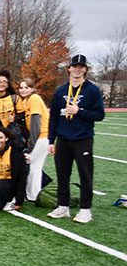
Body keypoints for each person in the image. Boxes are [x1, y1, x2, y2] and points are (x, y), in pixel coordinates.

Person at [46, 54, 105, 223]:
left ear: (85, 69)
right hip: (63, 138)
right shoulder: (60, 91)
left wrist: (79, 112)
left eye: (81, 67)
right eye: (75, 66)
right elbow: (54, 118)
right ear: (69, 69)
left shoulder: (92, 90)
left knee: (85, 174)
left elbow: (99, 115)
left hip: (82, 138)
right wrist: (51, 140)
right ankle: (63, 206)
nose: (78, 69)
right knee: (62, 174)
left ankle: (85, 209)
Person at [17, 78, 50, 201]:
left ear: (32, 88)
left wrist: (31, 143)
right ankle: (33, 194)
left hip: (41, 136)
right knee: (36, 167)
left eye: (27, 87)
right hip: (43, 137)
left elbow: (36, 122)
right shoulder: (27, 100)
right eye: (21, 87)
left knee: (32, 165)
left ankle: (31, 194)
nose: (23, 90)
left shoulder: (34, 99)